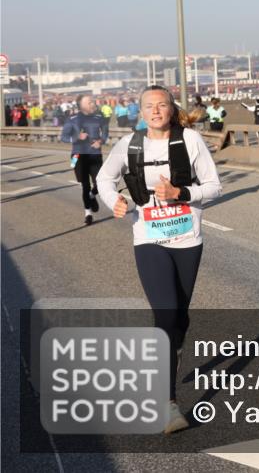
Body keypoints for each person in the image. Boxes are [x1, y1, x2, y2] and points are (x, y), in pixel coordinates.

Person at [97, 85, 221, 435]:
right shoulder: (129, 145)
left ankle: (171, 347)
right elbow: (105, 178)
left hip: (187, 239)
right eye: (149, 106)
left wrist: (182, 192)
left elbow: (214, 186)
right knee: (165, 313)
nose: (156, 111)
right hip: (149, 238)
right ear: (140, 112)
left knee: (179, 318)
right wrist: (115, 202)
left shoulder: (190, 141)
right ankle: (167, 405)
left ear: (171, 109)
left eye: (162, 105)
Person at [60, 94, 110, 225]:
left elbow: (105, 133)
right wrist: (76, 137)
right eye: (89, 102)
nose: (93, 104)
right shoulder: (72, 119)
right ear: (81, 105)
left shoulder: (100, 118)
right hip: (77, 156)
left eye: (93, 102)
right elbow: (64, 137)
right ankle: (88, 213)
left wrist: (101, 141)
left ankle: (92, 195)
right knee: (85, 185)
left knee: (101, 183)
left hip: (95, 154)